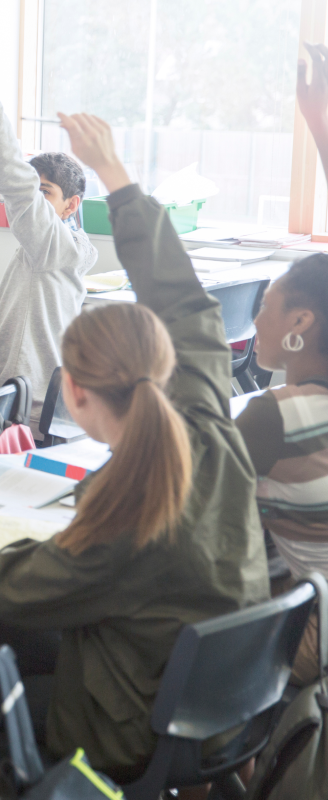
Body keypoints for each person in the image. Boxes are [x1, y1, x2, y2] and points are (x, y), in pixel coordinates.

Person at [0, 112, 269, 783]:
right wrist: (115, 173)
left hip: (126, 732)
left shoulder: (121, 513)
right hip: (220, 707)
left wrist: (12, 538)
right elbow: (188, 300)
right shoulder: (210, 424)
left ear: (71, 391)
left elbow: (6, 586)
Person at [0, 9, 98, 416]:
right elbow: (3, 318)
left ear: (72, 205)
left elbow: (8, 167)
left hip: (20, 416)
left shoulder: (48, 244)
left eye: (42, 193)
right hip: (16, 402)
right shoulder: (42, 251)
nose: (30, 203)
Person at [235, 44, 328, 686]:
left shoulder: (277, 416)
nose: (256, 320)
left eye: (266, 306)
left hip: (312, 637)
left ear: (300, 324)